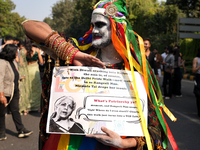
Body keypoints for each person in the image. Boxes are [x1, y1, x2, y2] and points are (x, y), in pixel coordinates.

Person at [22, 0, 177, 149]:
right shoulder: (79, 56)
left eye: (100, 25)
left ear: (118, 27)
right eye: (93, 25)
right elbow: (28, 26)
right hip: (71, 144)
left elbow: (154, 126)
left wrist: (124, 143)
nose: (94, 30)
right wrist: (73, 53)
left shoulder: (135, 70)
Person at [0, 44, 33, 141]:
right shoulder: (2, 63)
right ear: (11, 52)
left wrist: (19, 77)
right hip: (4, 92)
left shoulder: (12, 62)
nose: (17, 53)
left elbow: (12, 74)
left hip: (14, 90)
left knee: (15, 110)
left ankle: (21, 130)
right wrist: (1, 95)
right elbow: (0, 79)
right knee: (1, 113)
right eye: (16, 51)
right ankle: (1, 133)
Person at [24, 37, 44, 111]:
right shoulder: (37, 50)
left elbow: (20, 63)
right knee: (36, 87)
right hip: (35, 69)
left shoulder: (23, 51)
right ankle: (36, 106)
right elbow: (41, 62)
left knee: (27, 88)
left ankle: (27, 107)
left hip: (26, 70)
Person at [17, 41, 31, 115]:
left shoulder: (21, 51)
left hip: (21, 70)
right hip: (26, 70)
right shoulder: (28, 50)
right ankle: (27, 108)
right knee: (27, 88)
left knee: (22, 89)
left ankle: (22, 107)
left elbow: (20, 62)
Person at [192, 47, 200, 117]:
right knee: (198, 94)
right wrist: (199, 67)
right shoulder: (196, 59)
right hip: (198, 78)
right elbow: (194, 70)